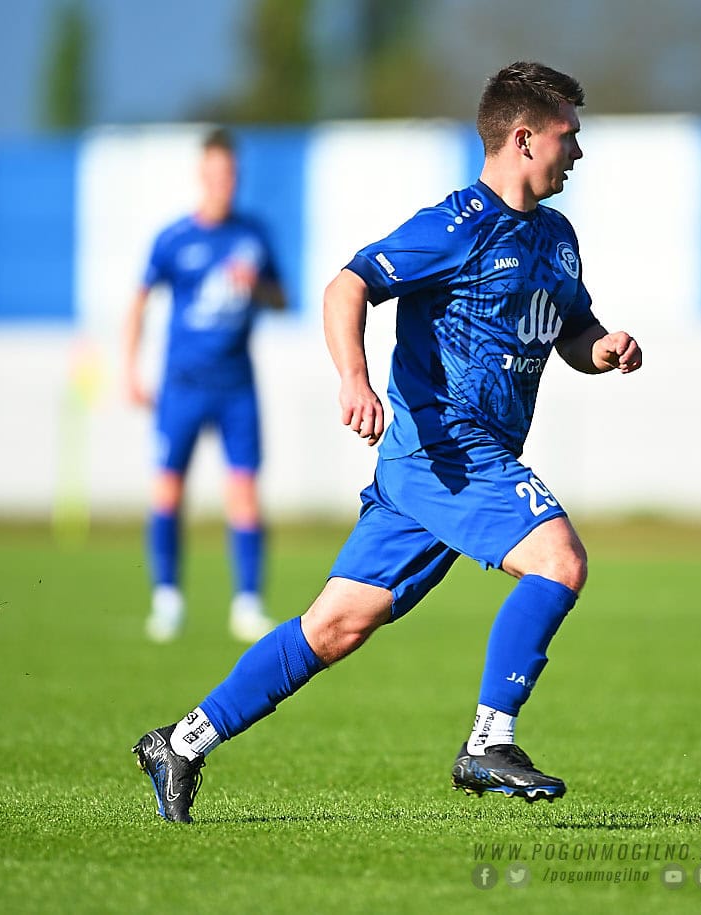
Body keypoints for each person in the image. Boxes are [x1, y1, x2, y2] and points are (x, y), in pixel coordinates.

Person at [133, 61, 642, 823]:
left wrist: (602, 347)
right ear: (524, 138)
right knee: (559, 560)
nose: (578, 151)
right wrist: (355, 379)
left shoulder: (557, 237)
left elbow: (572, 329)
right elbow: (347, 285)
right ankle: (490, 739)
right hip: (448, 451)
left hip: (444, 467)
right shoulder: (454, 227)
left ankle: (180, 742)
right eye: (569, 135)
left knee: (333, 626)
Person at [123, 127, 286, 645]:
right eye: (215, 173)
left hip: (236, 385)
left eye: (230, 173)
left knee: (245, 494)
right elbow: (139, 302)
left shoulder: (253, 235)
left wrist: (257, 288)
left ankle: (248, 604)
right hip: (183, 385)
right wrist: (130, 371)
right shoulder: (174, 238)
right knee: (168, 490)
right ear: (202, 175)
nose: (223, 182)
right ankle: (167, 600)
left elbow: (282, 300)